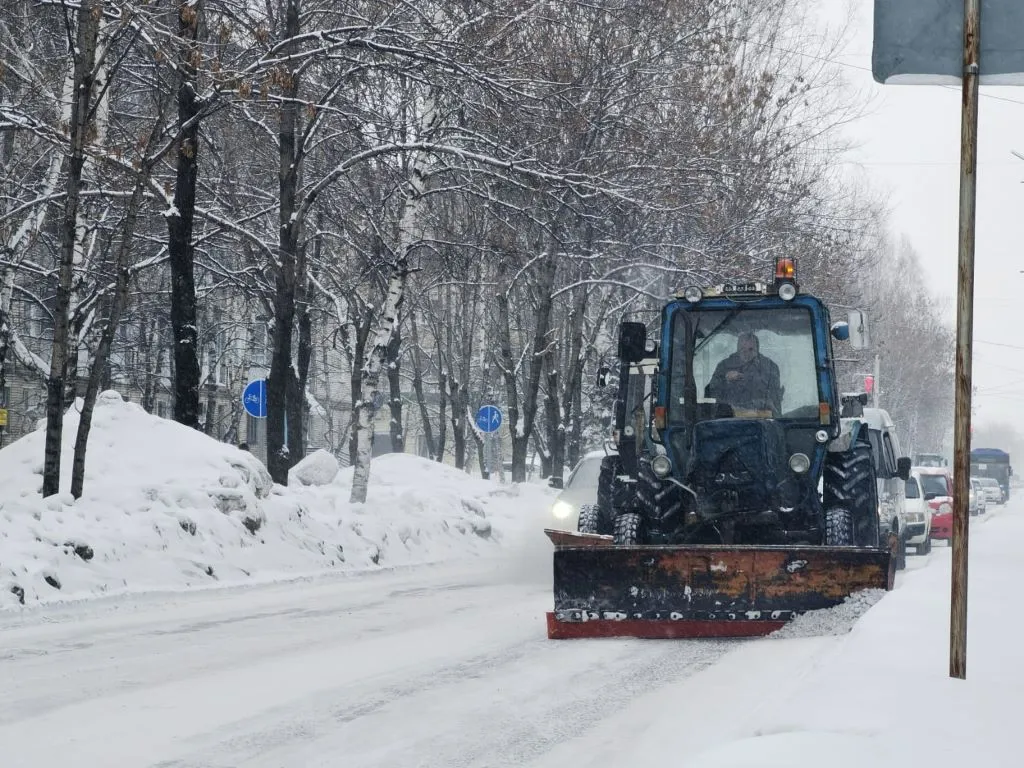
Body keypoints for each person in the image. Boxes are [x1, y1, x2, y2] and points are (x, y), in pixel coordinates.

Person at [705, 331, 783, 414]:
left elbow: (775, 400)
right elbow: (710, 394)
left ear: (757, 349)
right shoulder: (724, 366)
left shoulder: (770, 367)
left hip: (761, 419)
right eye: (743, 349)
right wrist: (725, 380)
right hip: (730, 420)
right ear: (737, 349)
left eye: (750, 349)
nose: (747, 353)